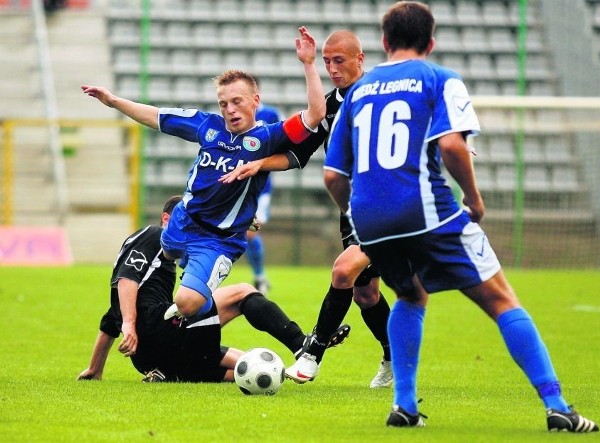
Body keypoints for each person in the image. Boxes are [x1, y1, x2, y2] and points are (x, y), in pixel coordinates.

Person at [323, 1, 599, 432]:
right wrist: (473, 199)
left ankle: (404, 406)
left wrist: (359, 217)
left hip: (372, 222)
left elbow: (333, 175)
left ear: (383, 42)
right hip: (427, 211)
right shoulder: (439, 78)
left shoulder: (359, 91)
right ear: (430, 42)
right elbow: (452, 146)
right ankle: (558, 406)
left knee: (410, 296)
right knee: (502, 299)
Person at [81, 26, 325, 325]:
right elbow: (156, 116)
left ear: (255, 101)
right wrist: (114, 101)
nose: (230, 109)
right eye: (224, 103)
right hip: (183, 220)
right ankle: (188, 285)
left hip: (216, 238)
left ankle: (201, 302)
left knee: (187, 304)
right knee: (168, 252)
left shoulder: (268, 137)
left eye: (237, 101)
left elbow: (315, 114)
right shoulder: (207, 125)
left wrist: (309, 64)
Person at [220, 30, 392, 388]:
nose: (332, 68)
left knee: (343, 272)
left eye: (338, 60)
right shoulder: (329, 105)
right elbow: (299, 154)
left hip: (390, 204)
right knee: (366, 294)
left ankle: (311, 353)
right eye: (326, 62)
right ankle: (394, 358)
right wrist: (259, 164)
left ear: (360, 59)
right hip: (353, 209)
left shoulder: (383, 93)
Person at [77, 196, 349, 383]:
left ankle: (170, 374)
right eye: (184, 220)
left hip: (153, 357)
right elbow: (127, 279)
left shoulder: (161, 262)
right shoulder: (153, 235)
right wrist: (129, 324)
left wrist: (95, 368)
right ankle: (301, 344)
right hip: (158, 331)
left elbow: (108, 321)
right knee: (241, 292)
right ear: (165, 219)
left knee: (250, 368)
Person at [248, 78, 283, 295]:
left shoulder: (269, 115)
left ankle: (260, 278)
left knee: (251, 233)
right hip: (237, 187)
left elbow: (283, 141)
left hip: (261, 188)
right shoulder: (233, 116)